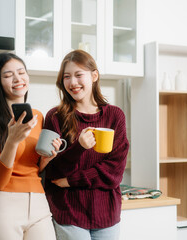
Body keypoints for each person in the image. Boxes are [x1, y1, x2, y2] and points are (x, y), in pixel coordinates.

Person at [42, 50, 129, 240]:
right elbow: (53, 172)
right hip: (69, 211)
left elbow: (114, 172)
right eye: (67, 77)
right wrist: (78, 147)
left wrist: (72, 181)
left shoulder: (115, 116)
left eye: (78, 75)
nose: (72, 83)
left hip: (107, 213)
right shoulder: (55, 117)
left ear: (94, 76)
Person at [0, 52, 57, 240]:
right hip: (3, 204)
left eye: (21, 72)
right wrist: (12, 141)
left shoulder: (38, 116)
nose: (17, 78)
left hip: (38, 203)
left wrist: (46, 159)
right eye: (7, 75)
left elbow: (34, 169)